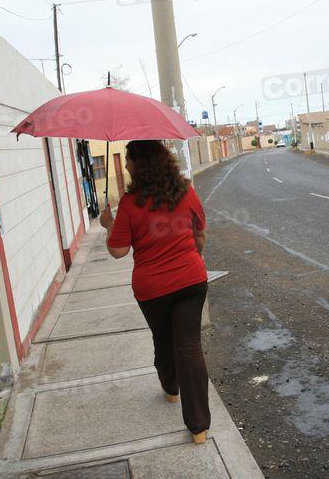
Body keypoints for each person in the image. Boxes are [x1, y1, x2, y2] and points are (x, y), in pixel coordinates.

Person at [99, 140, 210, 444]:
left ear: (139, 164)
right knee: (190, 346)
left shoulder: (131, 203)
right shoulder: (186, 191)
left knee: (164, 341)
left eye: (128, 161)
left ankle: (171, 388)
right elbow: (199, 233)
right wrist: (192, 258)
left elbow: (119, 250)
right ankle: (199, 426)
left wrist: (108, 225)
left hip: (153, 289)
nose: (126, 166)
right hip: (191, 282)